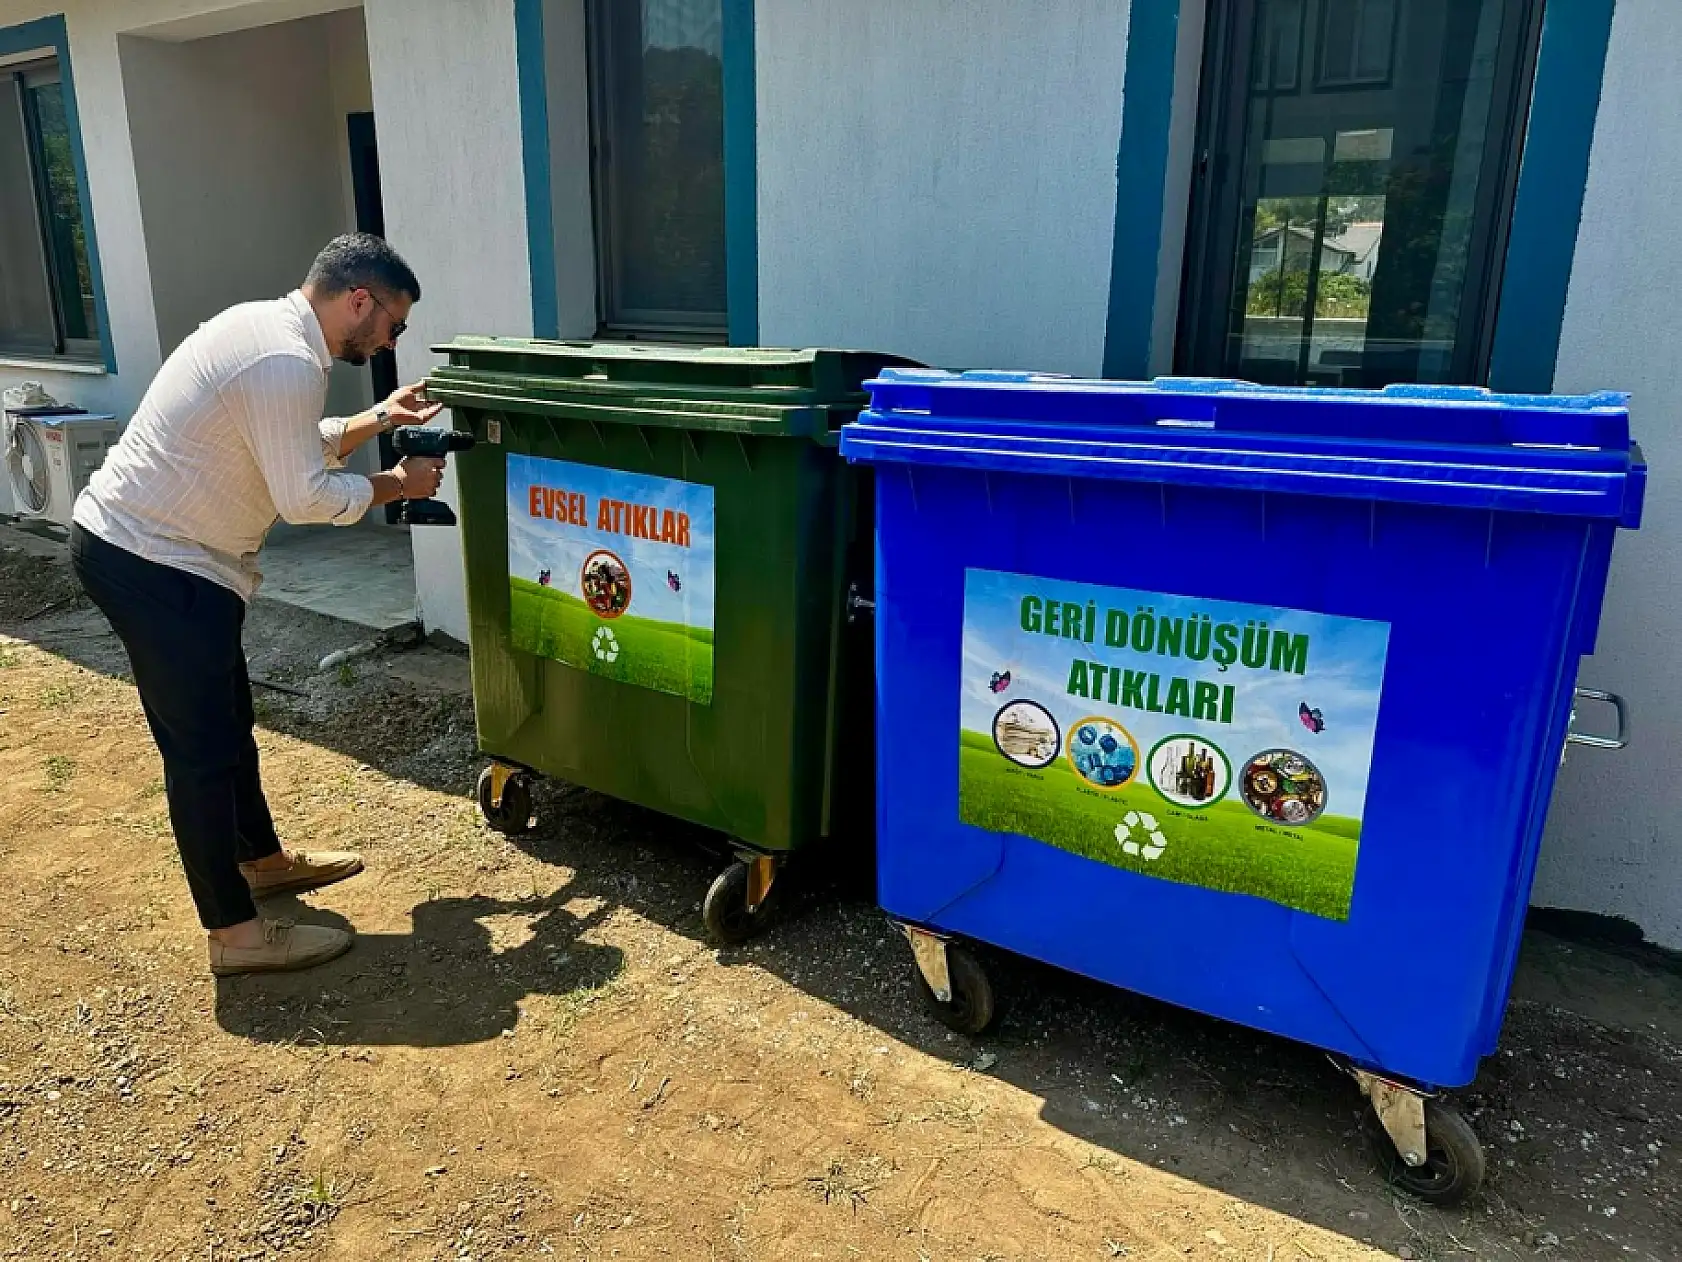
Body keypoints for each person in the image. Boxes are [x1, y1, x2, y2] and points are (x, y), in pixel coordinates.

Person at [70, 234, 449, 978]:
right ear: (359, 300)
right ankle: (234, 935)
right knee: (202, 753)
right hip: (151, 561)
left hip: (172, 557)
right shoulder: (283, 359)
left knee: (229, 717)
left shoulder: (270, 332)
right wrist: (397, 485)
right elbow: (303, 495)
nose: (391, 342)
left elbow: (284, 445)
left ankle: (262, 861)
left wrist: (377, 418)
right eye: (393, 325)